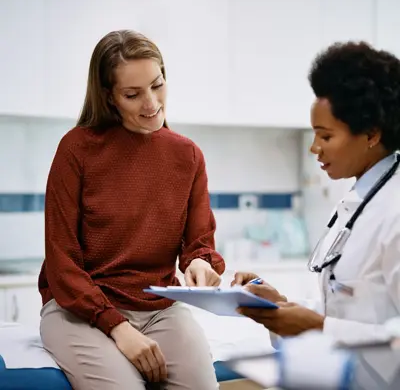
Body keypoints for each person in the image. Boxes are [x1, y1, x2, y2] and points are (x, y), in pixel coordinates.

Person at [38, 29, 225, 390]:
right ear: (109, 97)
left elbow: (199, 244)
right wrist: (117, 327)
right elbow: (62, 265)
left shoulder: (187, 155)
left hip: (160, 309)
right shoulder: (76, 149)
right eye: (133, 94)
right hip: (78, 311)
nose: (152, 103)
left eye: (157, 85)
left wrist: (201, 264)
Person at [232, 41, 400, 345]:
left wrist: (318, 328)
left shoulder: (394, 212)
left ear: (372, 134)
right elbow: (344, 310)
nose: (314, 148)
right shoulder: (360, 202)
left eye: (326, 135)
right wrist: (279, 305)